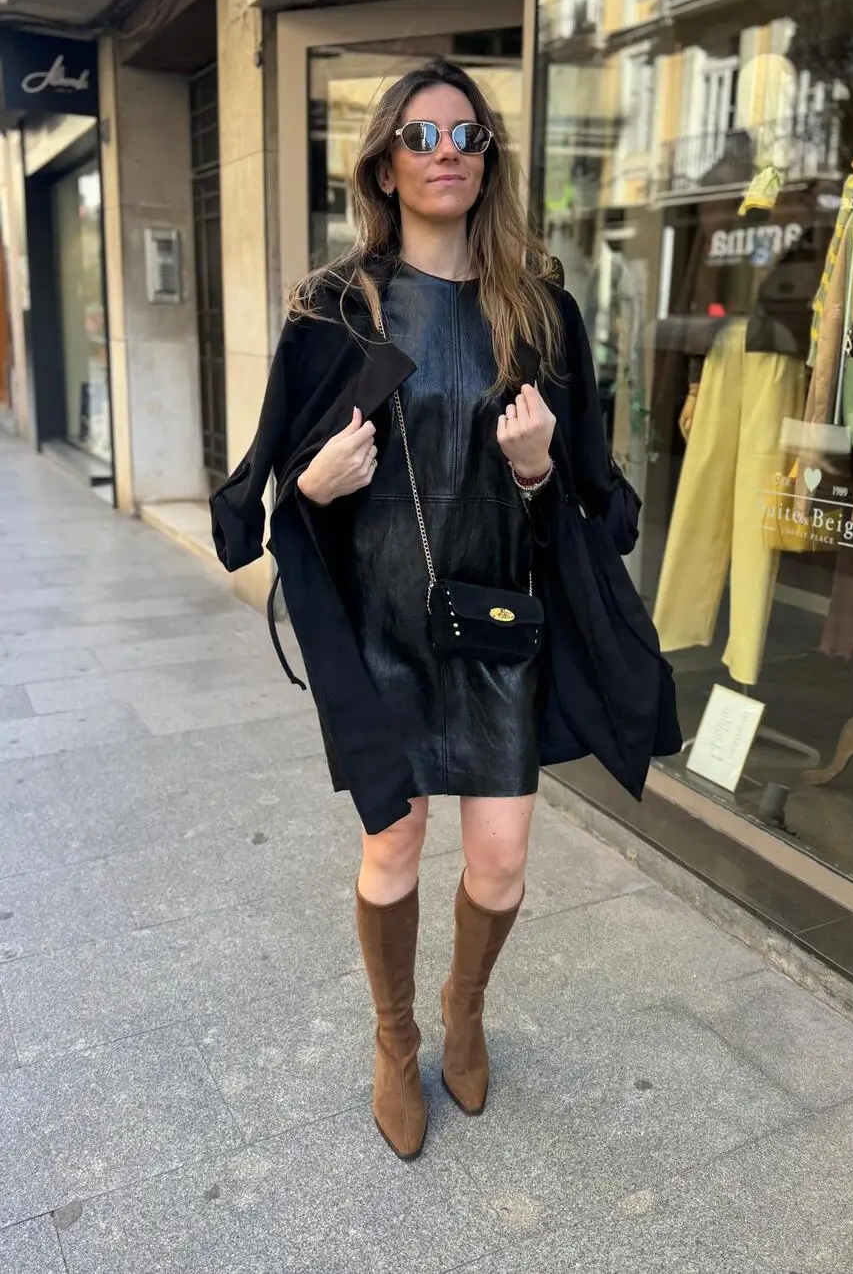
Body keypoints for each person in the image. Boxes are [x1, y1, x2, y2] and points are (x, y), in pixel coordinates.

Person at [209, 60, 679, 1162]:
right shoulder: (334, 310)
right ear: (385, 165)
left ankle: (464, 1007)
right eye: (419, 138)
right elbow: (271, 481)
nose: (444, 154)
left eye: (464, 135)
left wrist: (535, 468)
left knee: (501, 858)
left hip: (495, 623)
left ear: (488, 159)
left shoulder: (540, 310)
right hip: (380, 622)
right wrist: (311, 485)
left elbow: (592, 497)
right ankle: (395, 1035)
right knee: (395, 840)